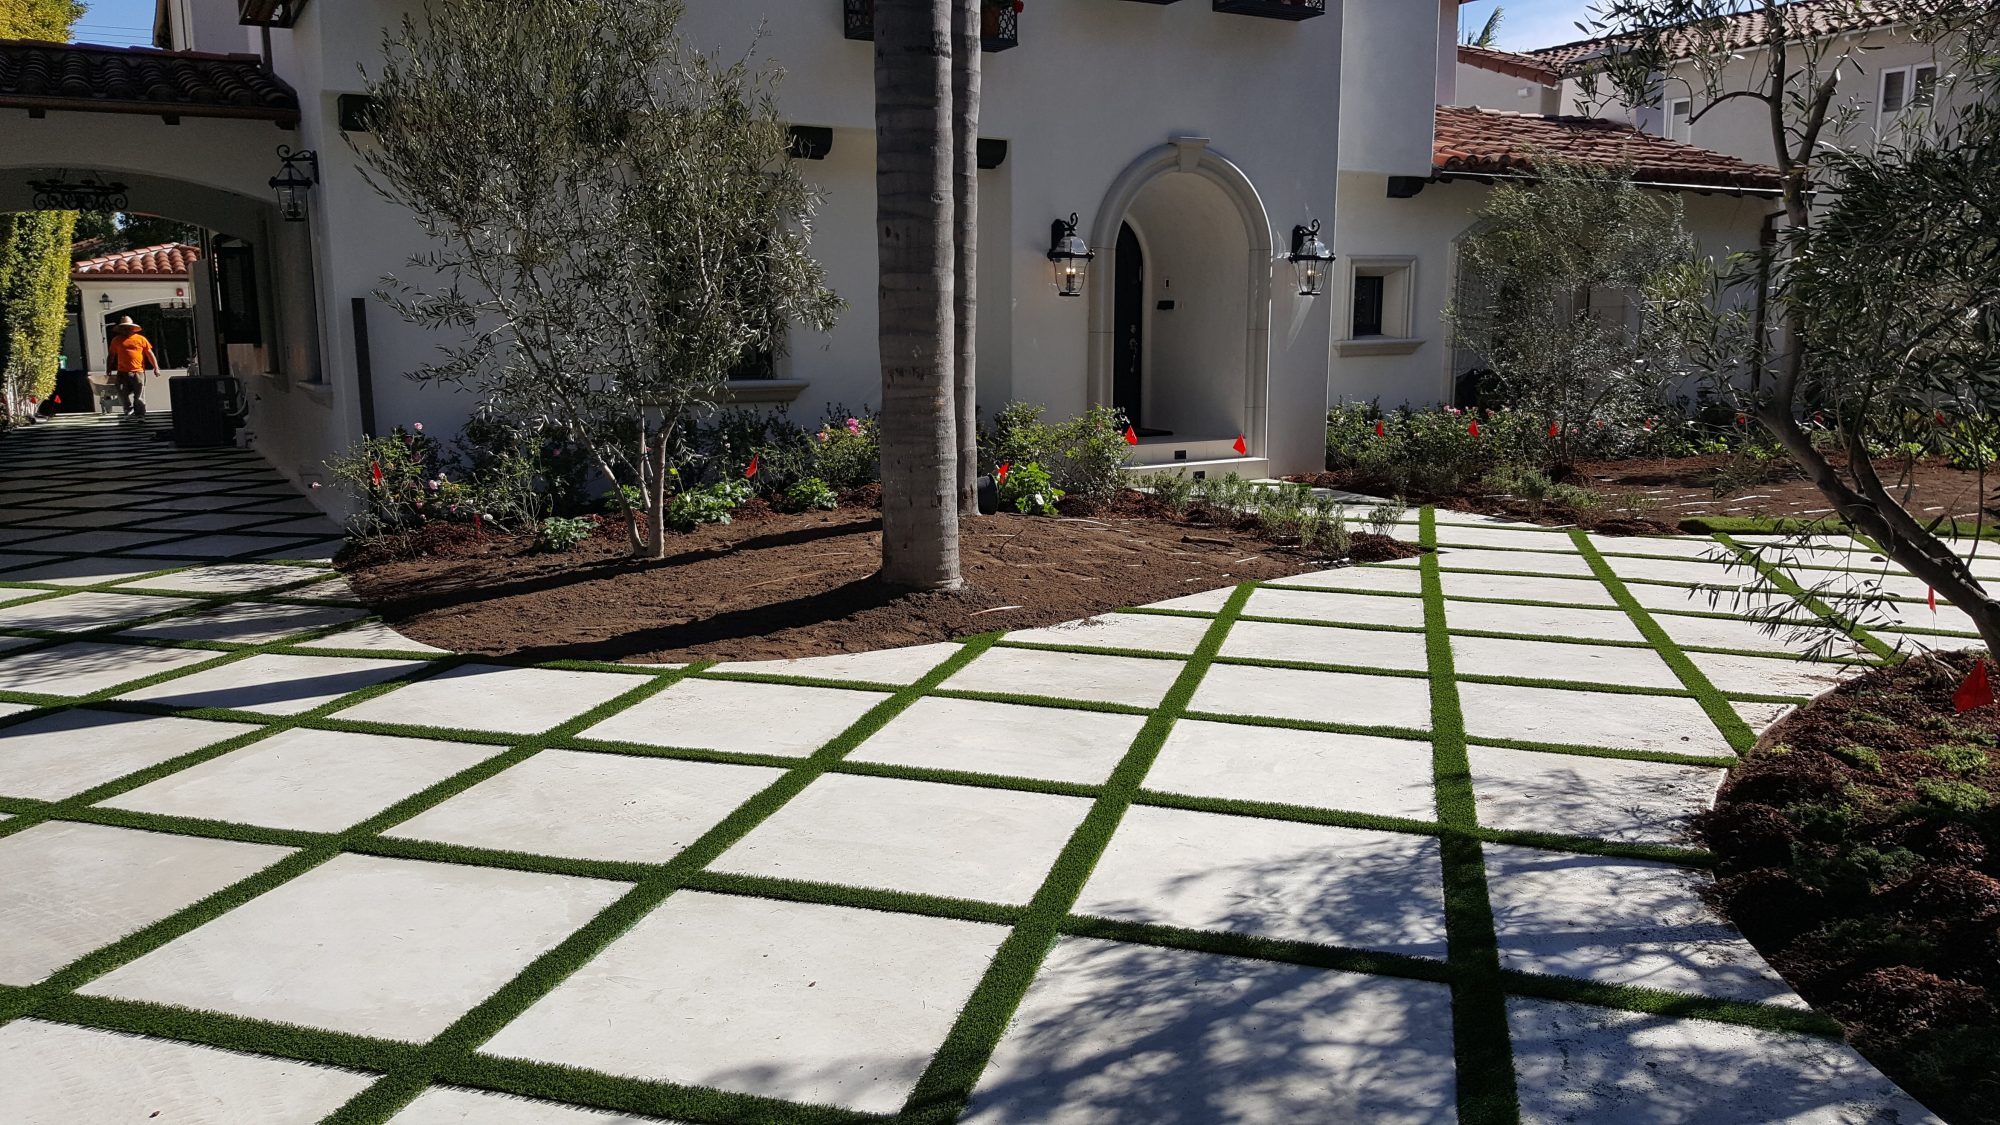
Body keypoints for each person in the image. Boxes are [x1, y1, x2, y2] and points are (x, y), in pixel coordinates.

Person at [106, 316, 160, 417]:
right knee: (121, 391)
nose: (126, 330)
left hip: (138, 372)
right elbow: (111, 355)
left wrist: (156, 367)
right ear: (121, 329)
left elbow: (149, 354)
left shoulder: (141, 339)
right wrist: (108, 367)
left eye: (128, 327)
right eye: (124, 328)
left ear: (132, 328)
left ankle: (140, 415)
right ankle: (128, 408)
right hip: (122, 372)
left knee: (139, 396)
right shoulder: (116, 340)